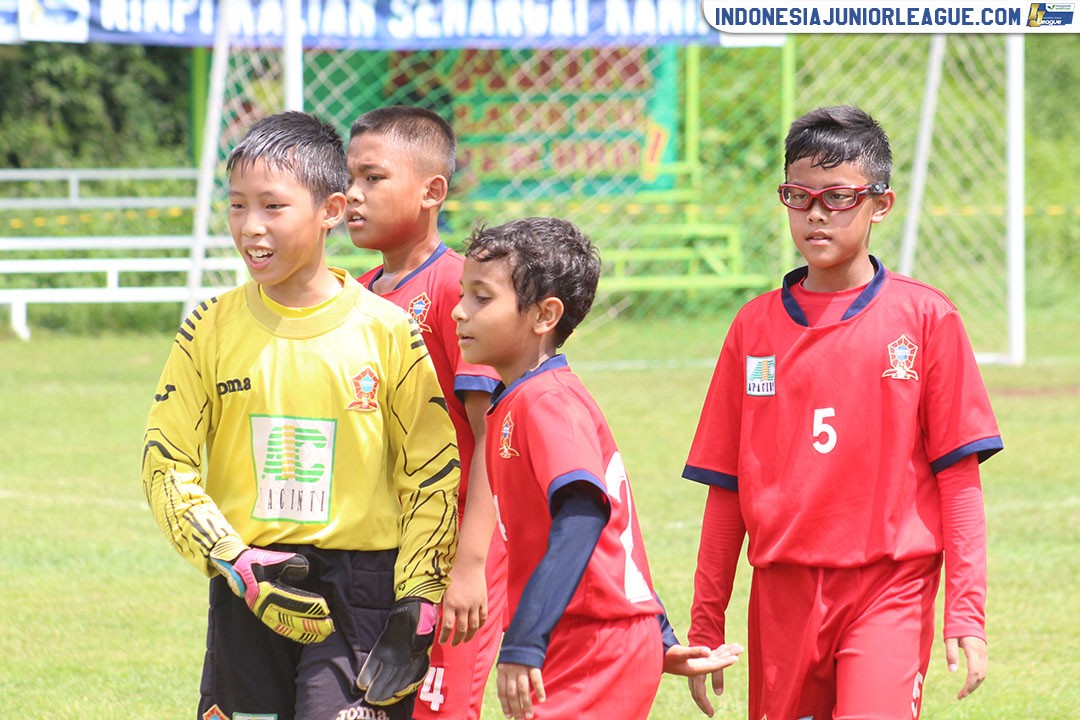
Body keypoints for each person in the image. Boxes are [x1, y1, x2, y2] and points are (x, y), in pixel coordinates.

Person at [683, 105, 1004, 720]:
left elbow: (959, 478)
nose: (816, 212)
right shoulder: (753, 328)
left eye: (838, 196)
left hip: (889, 585)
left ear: (879, 204)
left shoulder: (926, 319)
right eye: (798, 195)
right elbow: (726, 488)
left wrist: (966, 611)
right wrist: (706, 623)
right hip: (782, 593)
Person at [141, 110, 461, 720]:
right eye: (237, 206)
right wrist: (232, 559)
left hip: (363, 591)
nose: (250, 228)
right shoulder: (207, 328)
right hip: (247, 581)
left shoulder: (388, 331)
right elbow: (166, 463)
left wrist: (419, 599)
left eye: (272, 207)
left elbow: (432, 472)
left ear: (331, 210)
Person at [451, 216, 744, 720]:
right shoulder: (517, 399)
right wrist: (661, 639)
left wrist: (524, 640)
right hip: (592, 637)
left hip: (592, 642)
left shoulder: (548, 403)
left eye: (481, 298)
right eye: (464, 294)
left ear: (544, 315)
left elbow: (587, 516)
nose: (459, 311)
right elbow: (620, 540)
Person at [345, 105, 506, 720]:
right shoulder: (354, 294)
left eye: (373, 177)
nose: (353, 194)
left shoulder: (457, 290)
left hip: (452, 552)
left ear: (432, 191)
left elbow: (491, 435)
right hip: (380, 548)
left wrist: (469, 564)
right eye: (349, 178)